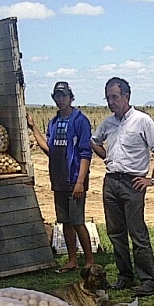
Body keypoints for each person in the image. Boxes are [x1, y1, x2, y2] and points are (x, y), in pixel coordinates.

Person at [90, 77, 154, 297]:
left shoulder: (142, 121)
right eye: (108, 98)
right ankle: (125, 276)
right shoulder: (108, 123)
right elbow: (94, 141)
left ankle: (149, 280)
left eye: (115, 97)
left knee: (137, 233)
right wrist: (108, 157)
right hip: (111, 181)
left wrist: (152, 179)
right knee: (115, 233)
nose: (111, 102)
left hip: (133, 183)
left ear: (127, 96)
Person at [26, 81, 95, 273]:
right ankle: (72, 260)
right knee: (65, 222)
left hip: (74, 180)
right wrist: (33, 128)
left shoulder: (80, 121)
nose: (61, 99)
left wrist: (80, 182)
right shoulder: (54, 122)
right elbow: (49, 149)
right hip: (58, 180)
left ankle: (89, 261)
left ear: (71, 97)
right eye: (57, 96)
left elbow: (85, 153)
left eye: (64, 96)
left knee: (78, 221)